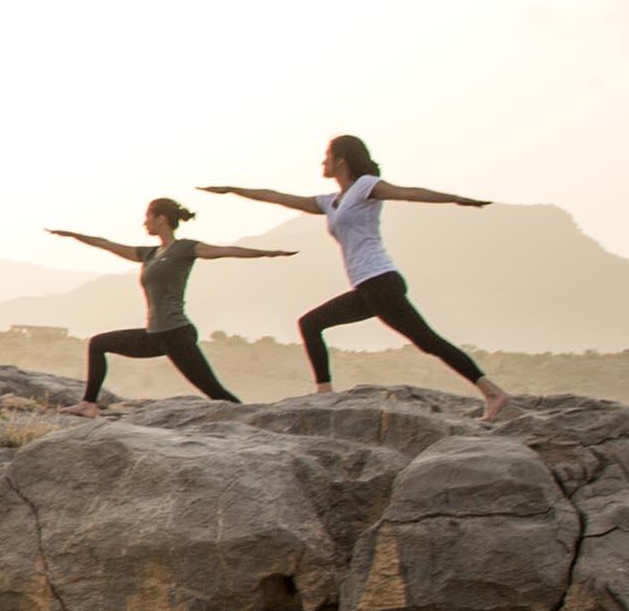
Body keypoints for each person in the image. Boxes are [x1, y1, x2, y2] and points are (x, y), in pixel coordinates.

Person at [206, 136, 512, 412]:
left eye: (326, 156)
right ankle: (324, 393)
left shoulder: (366, 186)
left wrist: (457, 199)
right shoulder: (330, 202)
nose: (322, 162)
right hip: (367, 287)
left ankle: (492, 393)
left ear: (341, 160)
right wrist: (233, 190)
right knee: (311, 324)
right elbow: (276, 196)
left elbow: (408, 193)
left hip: (381, 281)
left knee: (427, 341)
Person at [51, 197, 284, 403]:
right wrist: (74, 236)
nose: (145, 222)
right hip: (155, 335)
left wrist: (267, 253)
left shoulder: (184, 249)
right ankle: (88, 405)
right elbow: (106, 244)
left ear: (160, 219)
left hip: (176, 334)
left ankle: (251, 421)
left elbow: (225, 250)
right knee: (98, 344)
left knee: (216, 393)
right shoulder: (149, 254)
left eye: (147, 217)